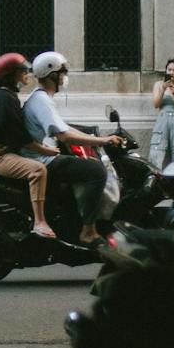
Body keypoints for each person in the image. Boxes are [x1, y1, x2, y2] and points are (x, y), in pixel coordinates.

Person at [21, 51, 127, 245]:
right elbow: (64, 135)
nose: (64, 77)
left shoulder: (41, 97)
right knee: (95, 171)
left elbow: (64, 127)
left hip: (40, 155)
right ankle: (88, 230)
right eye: (63, 72)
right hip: (41, 160)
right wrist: (103, 141)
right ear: (51, 74)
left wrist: (96, 138)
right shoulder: (42, 100)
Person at [0, 52, 58, 238]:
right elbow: (19, 137)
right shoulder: (5, 99)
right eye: (23, 71)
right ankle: (39, 222)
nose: (27, 75)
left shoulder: (8, 96)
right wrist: (46, 150)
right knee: (38, 170)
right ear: (12, 74)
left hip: (5, 151)